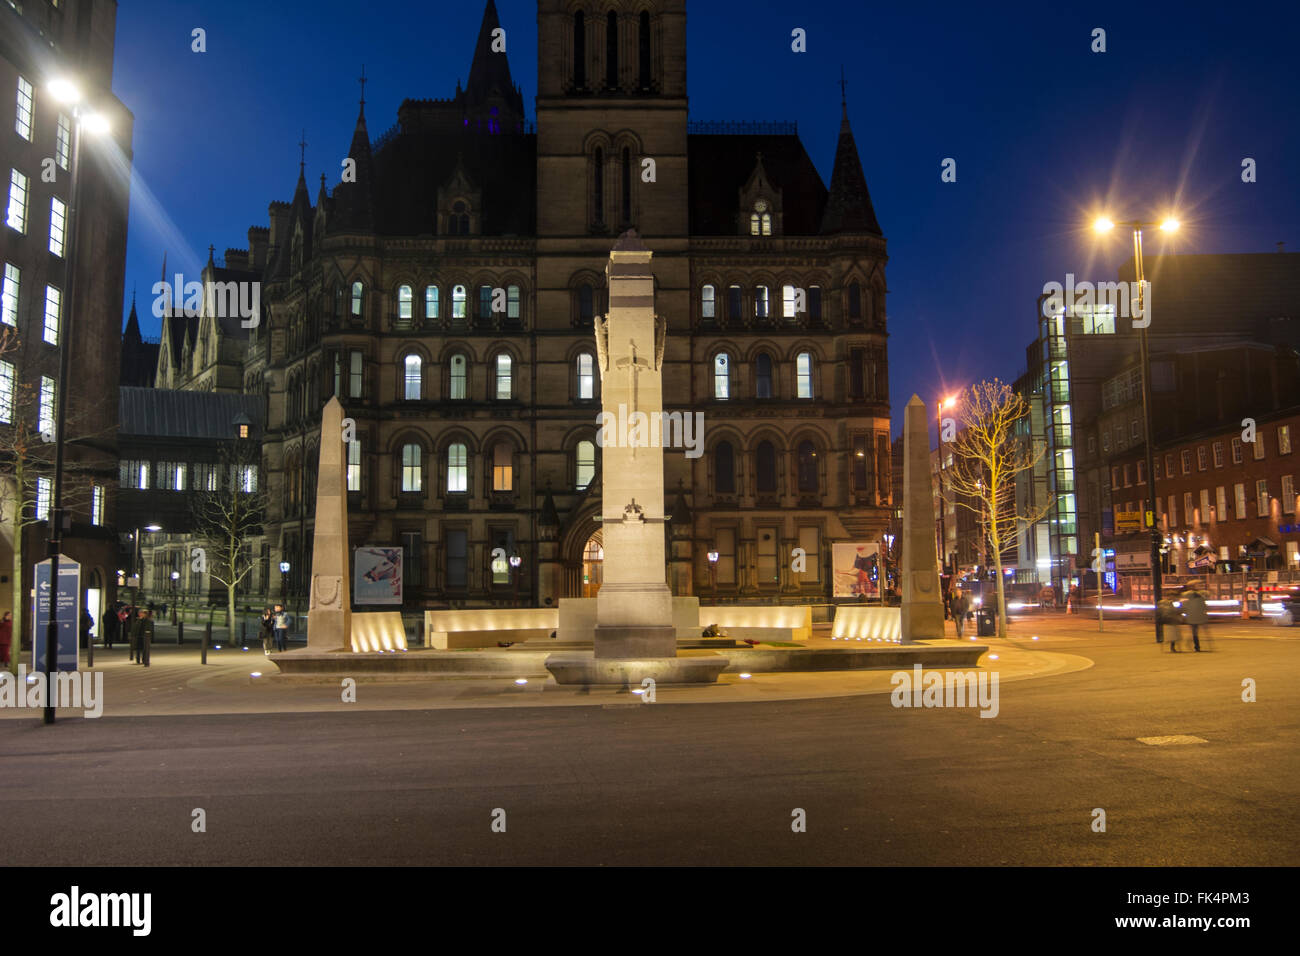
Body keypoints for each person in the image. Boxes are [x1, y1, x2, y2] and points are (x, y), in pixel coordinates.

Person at [1175, 586, 1207, 652]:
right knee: (1195, 631)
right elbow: (1204, 606)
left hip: (1191, 616)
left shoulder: (1186, 596)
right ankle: (1196, 646)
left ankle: (1194, 645)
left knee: (1194, 631)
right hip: (1198, 616)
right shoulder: (1200, 596)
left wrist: (1182, 612)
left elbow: (1183, 606)